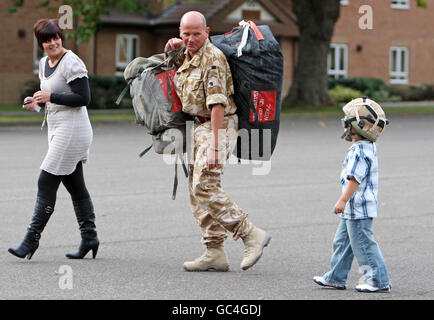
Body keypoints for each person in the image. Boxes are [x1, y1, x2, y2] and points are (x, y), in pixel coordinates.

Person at [164, 11, 270, 272]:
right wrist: (171, 47)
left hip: (218, 126)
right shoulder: (187, 54)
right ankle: (214, 251)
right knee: (195, 189)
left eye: (196, 33)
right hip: (199, 126)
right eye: (185, 33)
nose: (190, 39)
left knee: (205, 184)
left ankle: (250, 234)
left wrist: (214, 144)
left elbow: (218, 104)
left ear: (207, 32)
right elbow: (172, 66)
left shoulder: (212, 58)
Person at [8, 19, 99, 260]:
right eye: (47, 39)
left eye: (56, 37)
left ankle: (31, 240)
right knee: (75, 184)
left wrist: (51, 96)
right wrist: (37, 104)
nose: (53, 42)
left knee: (45, 180)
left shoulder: (71, 62)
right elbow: (51, 100)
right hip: (57, 128)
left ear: (61, 37)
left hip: (74, 129)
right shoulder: (43, 63)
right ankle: (90, 237)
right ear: (41, 43)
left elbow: (83, 98)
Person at [313, 97, 391, 292]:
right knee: (343, 242)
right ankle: (336, 277)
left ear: (358, 126)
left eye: (347, 122)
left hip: (358, 207)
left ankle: (379, 280)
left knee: (363, 244)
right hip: (353, 208)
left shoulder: (360, 151)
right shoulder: (364, 147)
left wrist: (342, 199)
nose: (344, 125)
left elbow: (355, 179)